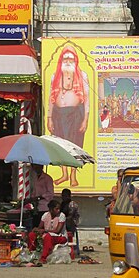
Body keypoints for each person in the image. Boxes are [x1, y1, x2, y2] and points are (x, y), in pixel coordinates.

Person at [46, 45, 90, 186]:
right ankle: (64, 174)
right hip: (59, 115)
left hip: (76, 115)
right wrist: (49, 118)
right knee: (60, 145)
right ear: (61, 60)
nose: (68, 61)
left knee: (74, 145)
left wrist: (85, 120)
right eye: (65, 58)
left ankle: (73, 175)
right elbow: (50, 99)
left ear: (76, 60)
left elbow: (87, 99)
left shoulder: (82, 76)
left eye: (71, 59)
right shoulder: (55, 76)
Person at [27, 198, 68, 263]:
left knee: (48, 236)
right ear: (51, 209)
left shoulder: (62, 215)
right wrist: (36, 230)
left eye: (59, 209)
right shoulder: (45, 215)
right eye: (56, 209)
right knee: (31, 234)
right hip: (47, 234)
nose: (58, 210)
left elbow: (57, 231)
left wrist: (44, 231)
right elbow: (40, 227)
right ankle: (31, 254)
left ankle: (43, 258)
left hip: (60, 237)